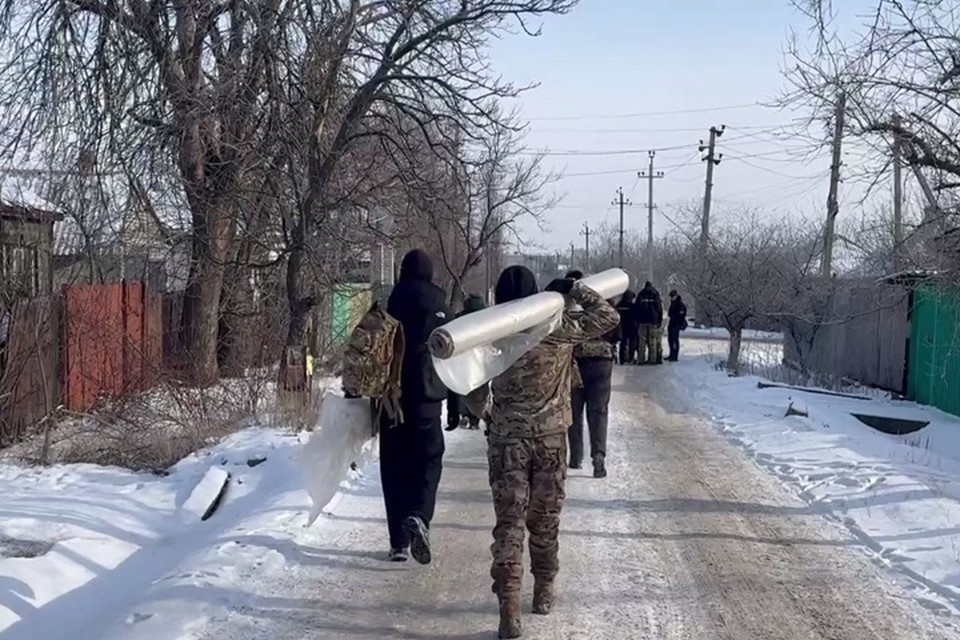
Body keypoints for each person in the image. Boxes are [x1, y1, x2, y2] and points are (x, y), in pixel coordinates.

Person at [468, 266, 618, 639]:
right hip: (551, 440)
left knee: (510, 524)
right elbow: (609, 317)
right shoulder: (557, 328)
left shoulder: (491, 334)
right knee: (545, 521)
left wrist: (489, 414)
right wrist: (576, 289)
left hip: (507, 444)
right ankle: (545, 588)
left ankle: (509, 608)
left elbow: (470, 393)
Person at [381, 249, 452, 564]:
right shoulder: (440, 303)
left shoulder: (390, 300)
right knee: (429, 459)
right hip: (427, 396)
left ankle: (398, 542)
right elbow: (453, 351)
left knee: (394, 466)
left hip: (390, 398)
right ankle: (419, 515)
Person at [569, 298, 619, 478]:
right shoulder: (607, 308)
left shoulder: (573, 308)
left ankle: (575, 456)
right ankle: (598, 457)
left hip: (577, 363)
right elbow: (617, 334)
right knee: (598, 412)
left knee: (574, 411)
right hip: (602, 364)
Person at [446, 294, 487, 431]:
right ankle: (475, 419)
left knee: (462, 389)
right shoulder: (486, 319)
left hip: (462, 360)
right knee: (479, 388)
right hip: (480, 361)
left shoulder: (459, 318)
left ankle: (464, 414)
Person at [632, 281, 663, 364]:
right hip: (653, 321)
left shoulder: (641, 294)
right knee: (652, 341)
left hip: (642, 321)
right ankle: (652, 359)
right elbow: (659, 307)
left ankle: (641, 359)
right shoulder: (655, 294)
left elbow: (636, 308)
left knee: (641, 341)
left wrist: (636, 320)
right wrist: (659, 319)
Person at [615, 290, 638, 364]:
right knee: (632, 343)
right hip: (631, 326)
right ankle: (631, 358)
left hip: (621, 326)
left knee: (623, 343)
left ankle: (622, 359)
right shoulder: (632, 306)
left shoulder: (619, 305)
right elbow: (636, 316)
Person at [666, 290, 688, 361]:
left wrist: (677, 320)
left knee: (674, 340)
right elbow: (670, 313)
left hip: (676, 324)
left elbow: (681, 315)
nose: (671, 298)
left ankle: (674, 356)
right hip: (672, 324)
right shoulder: (673, 304)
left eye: (672, 297)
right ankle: (671, 354)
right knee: (670, 340)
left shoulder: (679, 304)